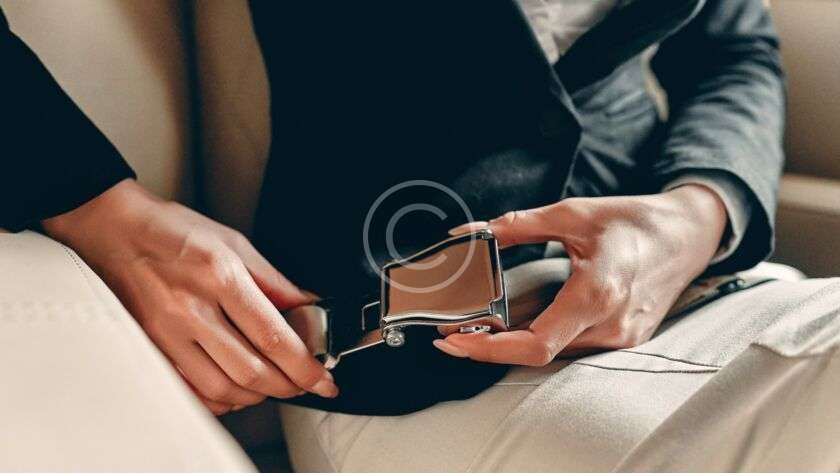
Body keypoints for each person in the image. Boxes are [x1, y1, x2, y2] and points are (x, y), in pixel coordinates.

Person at [0, 0, 791, 419]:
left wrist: (702, 210)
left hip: (698, 293)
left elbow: (736, 48)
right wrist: (89, 201)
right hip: (398, 369)